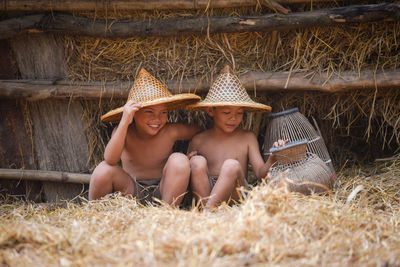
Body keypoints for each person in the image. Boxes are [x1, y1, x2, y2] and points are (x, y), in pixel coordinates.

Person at [89, 68, 201, 207]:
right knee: (102, 170)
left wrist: (191, 151)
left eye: (163, 112)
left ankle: (166, 214)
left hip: (164, 189)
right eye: (149, 112)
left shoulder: (171, 131)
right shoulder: (124, 131)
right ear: (134, 113)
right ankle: (95, 213)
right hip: (131, 190)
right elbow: (110, 160)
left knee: (179, 160)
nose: (157, 119)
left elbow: (201, 132)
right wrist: (124, 122)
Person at [186, 65, 286, 209]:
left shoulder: (247, 138)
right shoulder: (198, 140)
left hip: (235, 193)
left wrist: (272, 159)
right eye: (227, 113)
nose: (233, 118)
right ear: (210, 110)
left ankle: (207, 213)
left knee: (231, 165)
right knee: (197, 161)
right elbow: (188, 174)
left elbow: (260, 174)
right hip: (206, 191)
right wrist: (189, 160)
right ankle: (205, 210)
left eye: (239, 113)